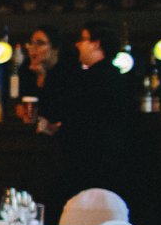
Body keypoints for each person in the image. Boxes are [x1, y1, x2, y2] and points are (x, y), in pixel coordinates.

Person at [44, 24, 135, 202]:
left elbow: (71, 114)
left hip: (88, 162)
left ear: (96, 44)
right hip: (114, 161)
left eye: (83, 39)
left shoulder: (89, 80)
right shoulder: (117, 77)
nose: (78, 44)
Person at [21, 26, 75, 129]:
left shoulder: (67, 71)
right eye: (31, 43)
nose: (33, 48)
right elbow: (21, 97)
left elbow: (59, 109)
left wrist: (42, 77)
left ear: (55, 49)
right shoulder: (26, 68)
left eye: (40, 43)